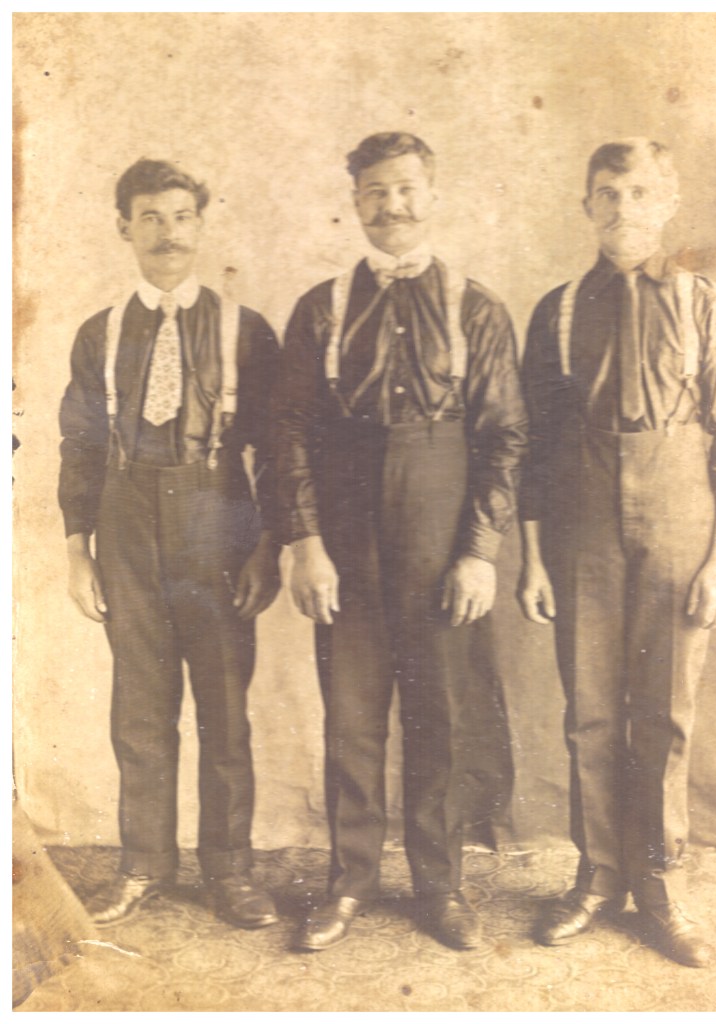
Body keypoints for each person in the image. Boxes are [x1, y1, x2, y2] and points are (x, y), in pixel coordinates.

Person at [274, 132, 528, 952]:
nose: (392, 206)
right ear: (355, 204)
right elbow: (289, 433)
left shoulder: (475, 307)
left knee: (439, 712)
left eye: (407, 188)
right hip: (346, 527)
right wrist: (306, 543)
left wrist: (479, 551)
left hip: (440, 522)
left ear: (432, 194)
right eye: (375, 192)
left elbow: (504, 436)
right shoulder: (320, 309)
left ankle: (439, 885)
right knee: (351, 713)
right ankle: (348, 882)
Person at [517, 138, 716, 967]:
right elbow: (534, 449)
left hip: (677, 526)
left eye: (639, 192)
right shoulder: (556, 312)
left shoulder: (706, 307)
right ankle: (596, 876)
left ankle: (658, 886)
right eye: (608, 194)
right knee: (587, 713)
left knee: (663, 715)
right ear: (586, 206)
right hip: (580, 528)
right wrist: (532, 558)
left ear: (667, 202)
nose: (623, 208)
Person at [58, 159, 282, 929]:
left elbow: (274, 450)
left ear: (200, 225)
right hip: (126, 519)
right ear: (124, 227)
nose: (168, 233)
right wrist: (78, 550)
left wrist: (267, 548)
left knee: (223, 705)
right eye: (150, 217)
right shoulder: (100, 333)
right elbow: (80, 447)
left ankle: (229, 870)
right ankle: (143, 864)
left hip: (216, 519)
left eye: (182, 216)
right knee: (140, 707)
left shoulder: (243, 328)